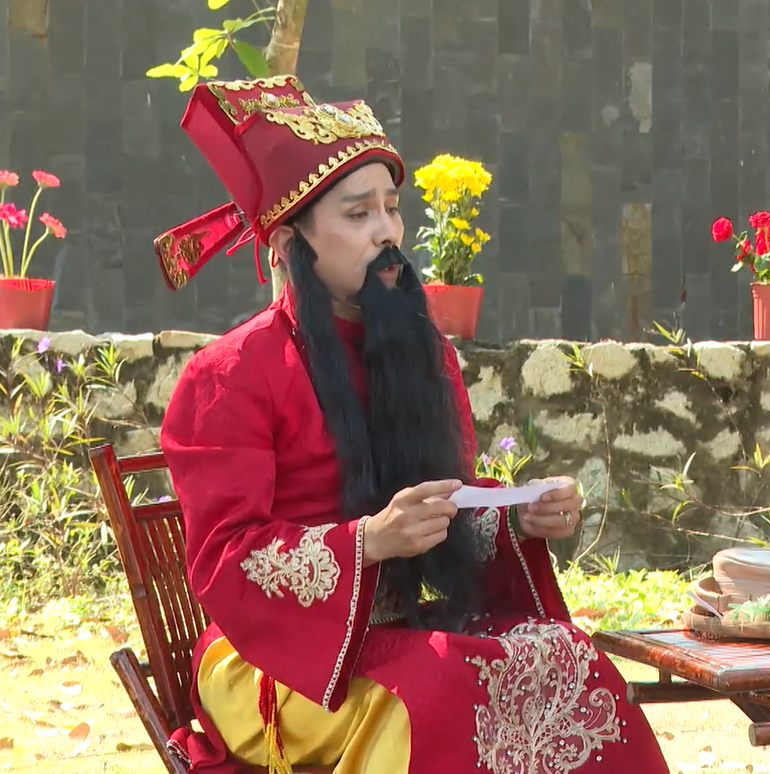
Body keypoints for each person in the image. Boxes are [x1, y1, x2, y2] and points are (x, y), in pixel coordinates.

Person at [151, 76, 670, 774]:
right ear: (290, 241)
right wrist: (367, 541)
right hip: (269, 662)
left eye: (392, 209)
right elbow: (226, 559)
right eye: (358, 213)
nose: (388, 233)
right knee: (439, 690)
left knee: (570, 659)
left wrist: (516, 516)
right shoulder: (231, 373)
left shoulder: (422, 353)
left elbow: (443, 507)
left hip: (393, 634)